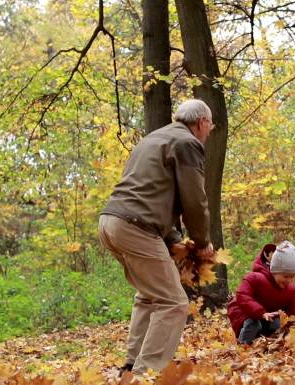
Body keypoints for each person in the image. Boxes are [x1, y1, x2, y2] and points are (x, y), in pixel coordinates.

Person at [98, 99, 215, 374]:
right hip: (134, 226)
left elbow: (153, 194)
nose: (208, 134)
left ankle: (131, 365)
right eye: (209, 127)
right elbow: (194, 201)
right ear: (201, 123)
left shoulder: (153, 139)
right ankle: (146, 373)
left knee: (150, 296)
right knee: (174, 302)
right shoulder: (188, 143)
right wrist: (201, 242)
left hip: (110, 222)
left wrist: (174, 238)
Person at [227, 241, 295, 344]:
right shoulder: (255, 278)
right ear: (274, 271)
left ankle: (265, 344)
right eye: (285, 276)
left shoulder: (290, 289)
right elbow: (242, 295)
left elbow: (293, 306)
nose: (289, 280)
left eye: (292, 277)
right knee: (254, 324)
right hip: (245, 312)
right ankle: (243, 345)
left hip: (268, 315)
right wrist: (260, 312)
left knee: (277, 325)